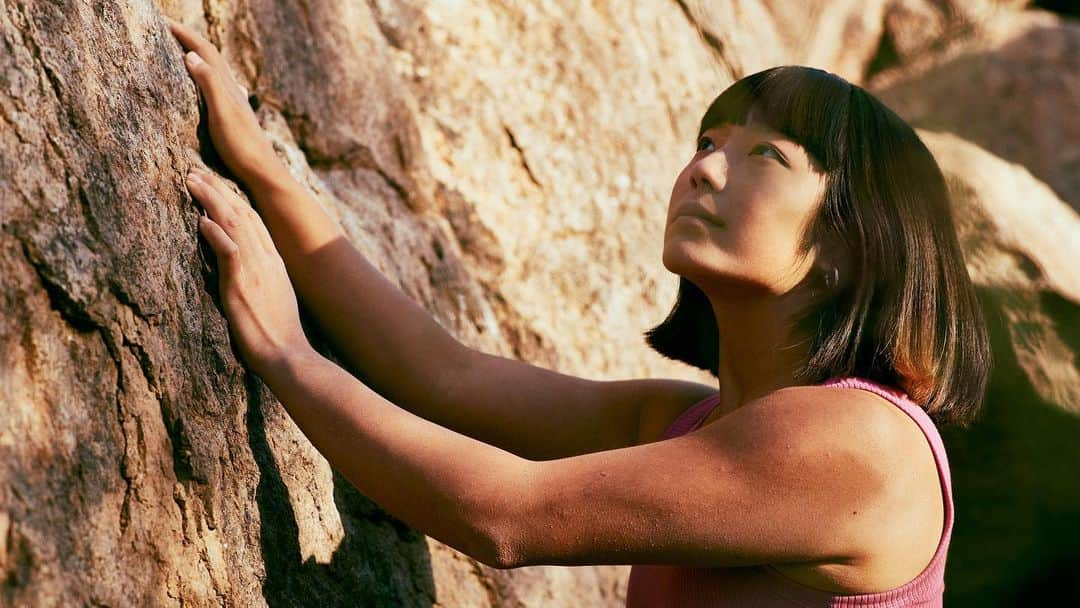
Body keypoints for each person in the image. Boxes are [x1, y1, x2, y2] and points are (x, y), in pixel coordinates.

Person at [167, 16, 990, 607]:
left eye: (765, 155)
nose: (703, 170)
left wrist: (285, 352)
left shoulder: (865, 445)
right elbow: (440, 375)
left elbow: (505, 515)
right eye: (708, 143)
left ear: (855, 241)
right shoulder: (684, 423)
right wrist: (267, 175)